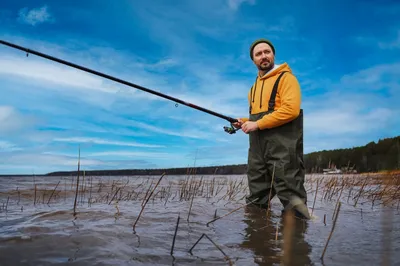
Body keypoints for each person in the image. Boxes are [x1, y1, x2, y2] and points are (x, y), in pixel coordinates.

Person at [233, 38, 310, 219]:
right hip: (258, 152)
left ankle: (296, 242)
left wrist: (256, 124)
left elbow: (290, 110)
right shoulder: (252, 89)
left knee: (292, 196)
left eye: (267, 52)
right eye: (258, 54)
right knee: (256, 198)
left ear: (273, 54)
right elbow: (257, 117)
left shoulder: (287, 78)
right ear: (254, 60)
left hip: (283, 149)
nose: (263, 56)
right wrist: (243, 121)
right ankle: (259, 241)